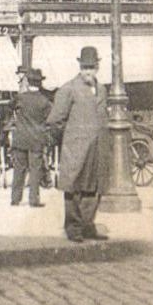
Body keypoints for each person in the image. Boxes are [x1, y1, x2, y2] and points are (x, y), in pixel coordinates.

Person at [46, 45, 108, 242]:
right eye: (85, 67)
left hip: (97, 147)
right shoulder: (68, 89)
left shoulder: (102, 89)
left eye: (91, 67)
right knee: (73, 187)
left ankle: (88, 225)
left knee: (93, 186)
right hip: (76, 147)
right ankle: (73, 227)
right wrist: (70, 136)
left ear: (97, 67)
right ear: (79, 67)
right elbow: (55, 119)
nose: (88, 71)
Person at [10, 67, 51, 208]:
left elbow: (11, 107)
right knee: (35, 169)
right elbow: (50, 119)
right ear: (39, 83)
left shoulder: (20, 98)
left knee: (19, 168)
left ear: (28, 82)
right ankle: (34, 199)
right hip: (36, 139)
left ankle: (15, 199)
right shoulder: (44, 101)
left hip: (20, 137)